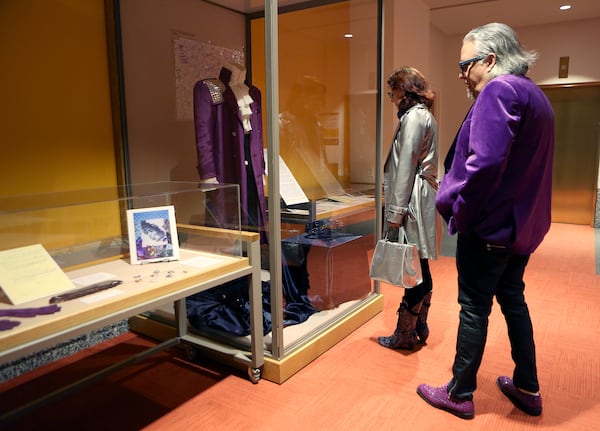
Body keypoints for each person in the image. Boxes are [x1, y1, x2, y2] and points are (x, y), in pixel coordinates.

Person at [416, 23, 554, 419]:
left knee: (474, 306)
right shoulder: (537, 96)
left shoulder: (499, 89)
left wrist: (462, 213)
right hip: (521, 228)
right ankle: (528, 388)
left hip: (490, 226)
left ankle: (459, 394)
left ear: (490, 59)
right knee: (513, 300)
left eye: (465, 64)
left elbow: (486, 163)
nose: (461, 73)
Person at [377, 67, 442, 351]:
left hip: (411, 198)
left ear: (405, 90)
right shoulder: (423, 115)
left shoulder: (414, 117)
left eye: (394, 91)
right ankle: (419, 324)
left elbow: (405, 167)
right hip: (420, 195)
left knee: (411, 263)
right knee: (419, 261)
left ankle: (405, 332)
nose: (392, 98)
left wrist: (395, 213)